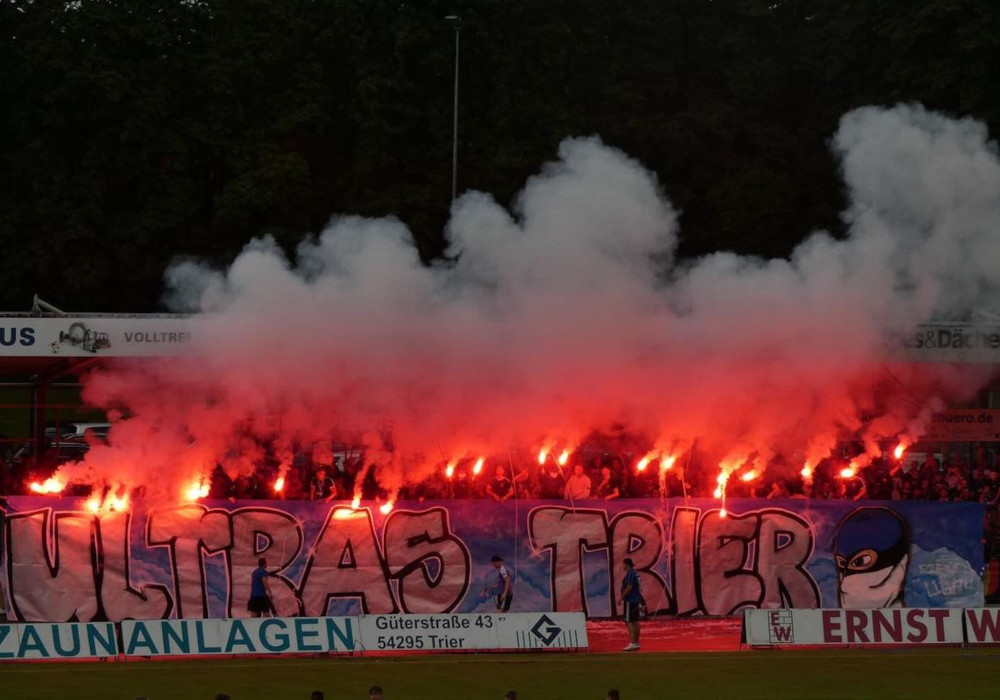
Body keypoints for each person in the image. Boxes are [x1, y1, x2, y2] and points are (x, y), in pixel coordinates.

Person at [618, 557, 642, 651]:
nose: (622, 566)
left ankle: (633, 642)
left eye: (623, 564)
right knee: (635, 621)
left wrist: (621, 598)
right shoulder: (636, 573)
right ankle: (636, 642)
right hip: (636, 600)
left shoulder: (630, 573)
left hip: (630, 600)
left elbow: (629, 587)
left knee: (629, 621)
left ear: (627, 564)